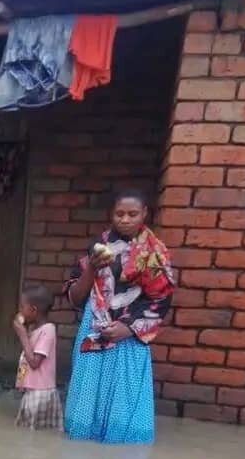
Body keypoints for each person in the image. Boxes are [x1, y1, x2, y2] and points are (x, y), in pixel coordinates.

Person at [64, 189, 175, 444]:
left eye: (132, 214)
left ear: (145, 214)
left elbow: (161, 298)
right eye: (119, 214)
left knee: (124, 403)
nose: (125, 219)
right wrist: (92, 267)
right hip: (93, 331)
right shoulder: (97, 247)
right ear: (111, 215)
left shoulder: (155, 253)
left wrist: (128, 329)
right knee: (87, 394)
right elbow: (75, 297)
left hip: (131, 337)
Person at [12, 284, 62, 430]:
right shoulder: (36, 329)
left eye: (22, 307)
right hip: (33, 390)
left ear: (33, 310)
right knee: (28, 431)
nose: (20, 311)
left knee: (32, 434)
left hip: (41, 392)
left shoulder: (48, 331)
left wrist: (22, 335)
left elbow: (34, 362)